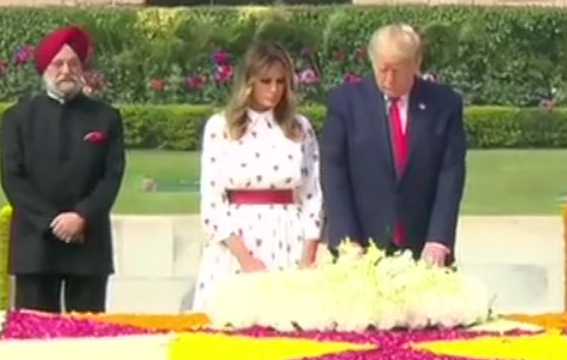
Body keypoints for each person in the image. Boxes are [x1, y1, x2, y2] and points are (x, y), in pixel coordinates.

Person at [0, 25, 126, 313]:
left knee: (88, 338)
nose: (66, 70)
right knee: (34, 341)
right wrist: (52, 222)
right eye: (58, 63)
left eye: (73, 63)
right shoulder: (17, 118)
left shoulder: (106, 117)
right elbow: (12, 178)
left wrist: (81, 216)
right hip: (36, 244)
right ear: (45, 68)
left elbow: (112, 175)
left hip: (88, 242)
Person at [320, 24, 466, 266]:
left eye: (397, 71)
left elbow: (450, 173)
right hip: (360, 248)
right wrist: (347, 239)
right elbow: (333, 171)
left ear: (415, 63)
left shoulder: (445, 105)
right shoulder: (345, 104)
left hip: (423, 248)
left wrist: (439, 239)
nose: (388, 79)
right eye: (382, 70)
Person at [191, 43, 323, 310]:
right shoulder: (221, 127)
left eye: (280, 82)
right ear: (248, 82)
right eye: (266, 81)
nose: (274, 89)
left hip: (289, 237)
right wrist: (244, 258)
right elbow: (213, 200)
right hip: (237, 241)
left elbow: (313, 194)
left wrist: (308, 254)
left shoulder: (299, 128)